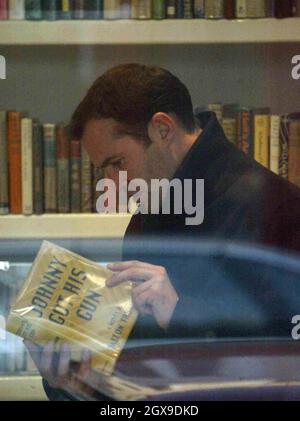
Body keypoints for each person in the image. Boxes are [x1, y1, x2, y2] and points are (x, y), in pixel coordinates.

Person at [25, 63, 300, 400]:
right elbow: (139, 385)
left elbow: (285, 365)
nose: (112, 185)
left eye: (118, 163)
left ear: (163, 129)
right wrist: (70, 382)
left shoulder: (278, 207)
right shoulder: (146, 220)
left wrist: (182, 312)